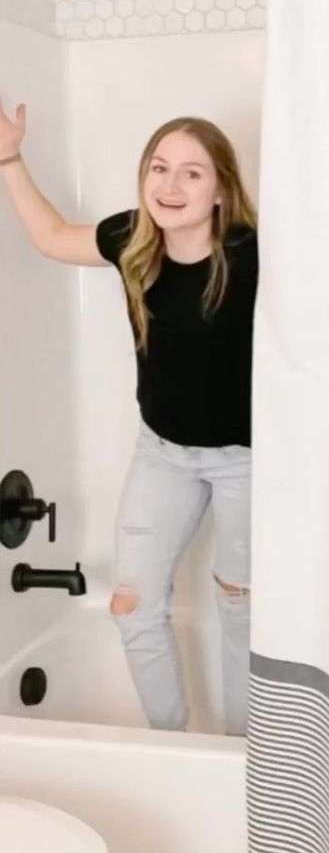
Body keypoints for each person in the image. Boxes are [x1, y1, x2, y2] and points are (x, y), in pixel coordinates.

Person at [0, 100, 258, 736]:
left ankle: (243, 752)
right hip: (162, 452)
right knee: (131, 604)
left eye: (192, 173)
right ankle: (170, 746)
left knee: (240, 608)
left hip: (247, 463)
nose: (170, 186)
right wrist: (8, 156)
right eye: (159, 168)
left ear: (221, 188)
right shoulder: (132, 239)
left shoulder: (254, 255)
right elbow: (54, 238)